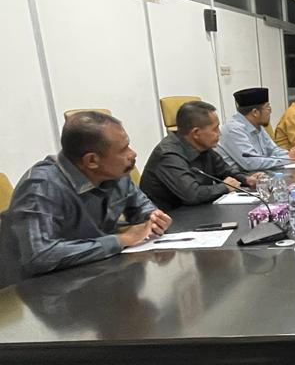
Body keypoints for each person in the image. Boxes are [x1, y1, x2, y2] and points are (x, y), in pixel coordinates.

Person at [0, 112, 171, 287]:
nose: (132, 154)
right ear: (92, 161)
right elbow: (40, 256)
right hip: (34, 290)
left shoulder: (115, 173)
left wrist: (154, 219)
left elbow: (142, 209)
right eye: (123, 149)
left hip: (94, 274)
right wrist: (121, 240)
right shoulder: (41, 186)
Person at [140, 101, 258, 211]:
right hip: (170, 217)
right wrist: (225, 187)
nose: (219, 133)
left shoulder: (203, 147)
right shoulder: (168, 155)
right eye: (215, 129)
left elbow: (225, 172)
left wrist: (247, 180)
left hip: (196, 212)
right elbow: (192, 195)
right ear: (196, 133)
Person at [219, 87, 295, 171]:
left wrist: (291, 154)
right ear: (255, 112)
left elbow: (273, 150)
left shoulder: (257, 125)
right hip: (239, 178)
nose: (270, 112)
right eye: (268, 108)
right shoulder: (233, 129)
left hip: (257, 174)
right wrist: (289, 158)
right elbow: (252, 163)